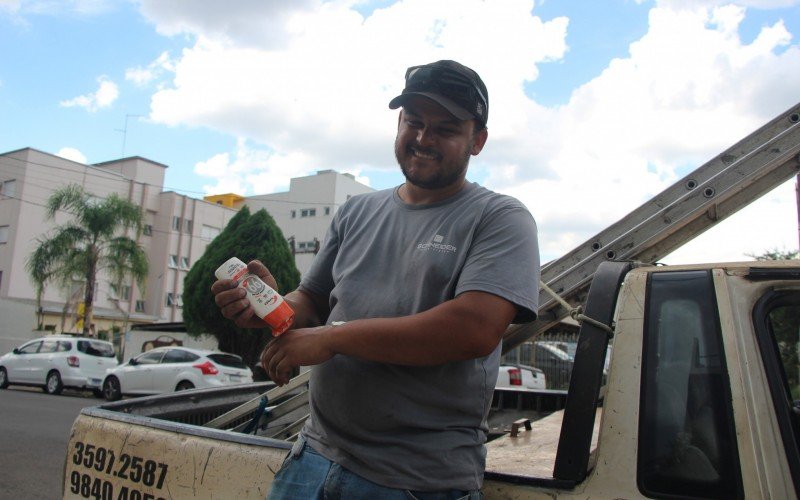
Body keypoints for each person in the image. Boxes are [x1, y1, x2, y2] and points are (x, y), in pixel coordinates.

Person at [211, 59, 540, 499]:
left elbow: (473, 329)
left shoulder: (500, 218)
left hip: (416, 482)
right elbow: (312, 299)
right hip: (312, 459)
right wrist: (269, 307)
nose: (424, 138)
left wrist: (332, 338)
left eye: (445, 128)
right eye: (414, 122)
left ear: (477, 141)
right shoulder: (356, 212)